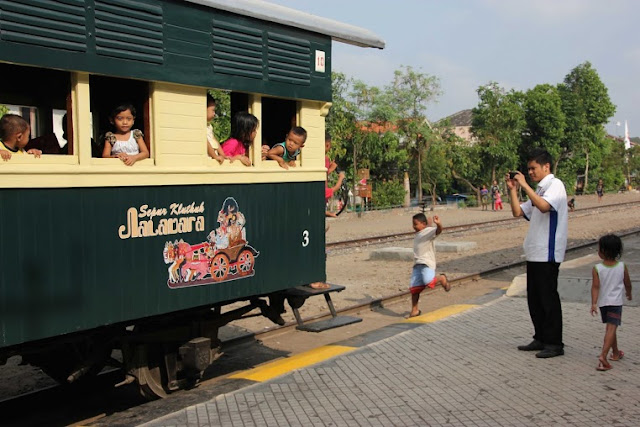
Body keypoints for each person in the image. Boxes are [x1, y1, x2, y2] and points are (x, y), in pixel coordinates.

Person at [507, 148, 568, 358]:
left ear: (546, 167)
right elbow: (518, 212)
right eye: (528, 169)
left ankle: (554, 343)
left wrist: (524, 185)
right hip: (534, 252)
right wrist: (514, 190)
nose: (530, 172)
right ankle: (540, 337)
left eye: (533, 168)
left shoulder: (555, 185)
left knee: (548, 299)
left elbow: (543, 207)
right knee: (534, 299)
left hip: (548, 252)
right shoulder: (540, 190)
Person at [590, 234, 633, 371]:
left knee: (610, 328)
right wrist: (629, 293)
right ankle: (603, 356)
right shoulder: (622, 266)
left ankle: (615, 352)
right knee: (611, 329)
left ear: (603, 252)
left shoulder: (597, 268)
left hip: (603, 303)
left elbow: (595, 287)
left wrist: (594, 303)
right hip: (615, 303)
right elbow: (627, 283)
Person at [407, 213, 450, 318]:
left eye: (415, 224)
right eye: (413, 224)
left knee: (428, 281)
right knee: (414, 288)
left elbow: (438, 231)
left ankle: (441, 278)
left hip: (427, 263)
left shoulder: (428, 232)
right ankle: (414, 310)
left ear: (423, 224)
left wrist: (438, 224)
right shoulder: (420, 232)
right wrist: (430, 224)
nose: (413, 226)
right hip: (417, 264)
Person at [206, 94, 226, 164]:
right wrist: (215, 156)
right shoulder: (202, 127)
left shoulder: (209, 126)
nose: (214, 114)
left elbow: (215, 141)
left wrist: (223, 155)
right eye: (213, 110)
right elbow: (206, 143)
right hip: (208, 159)